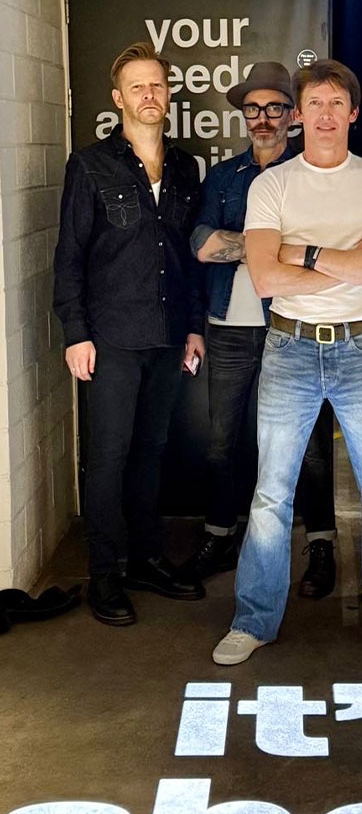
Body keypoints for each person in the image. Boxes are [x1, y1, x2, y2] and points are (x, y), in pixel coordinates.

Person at [212, 59, 362, 669]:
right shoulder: (272, 186)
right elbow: (263, 276)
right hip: (288, 348)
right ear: (297, 115)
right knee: (270, 495)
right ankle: (253, 620)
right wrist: (349, 256)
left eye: (337, 103)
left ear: (354, 112)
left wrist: (305, 251)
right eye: (314, 104)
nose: (326, 114)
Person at [53, 41, 206, 625]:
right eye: (137, 87)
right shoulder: (89, 165)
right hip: (110, 337)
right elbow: (70, 256)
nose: (149, 95)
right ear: (118, 98)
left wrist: (193, 327)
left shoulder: (186, 167)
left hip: (167, 336)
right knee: (109, 458)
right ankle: (105, 575)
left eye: (158, 85)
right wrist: (76, 332)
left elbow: (188, 259)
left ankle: (145, 559)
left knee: (151, 452)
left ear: (168, 96)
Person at [185, 62, 336, 597]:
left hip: (293, 326)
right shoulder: (226, 177)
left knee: (312, 447)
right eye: (254, 109)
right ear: (243, 116)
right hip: (229, 326)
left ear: (293, 115)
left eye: (275, 107)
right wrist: (273, 250)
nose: (264, 118)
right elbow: (201, 243)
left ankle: (321, 546)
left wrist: (245, 248)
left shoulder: (313, 171)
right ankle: (220, 535)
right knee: (225, 441)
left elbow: (326, 256)